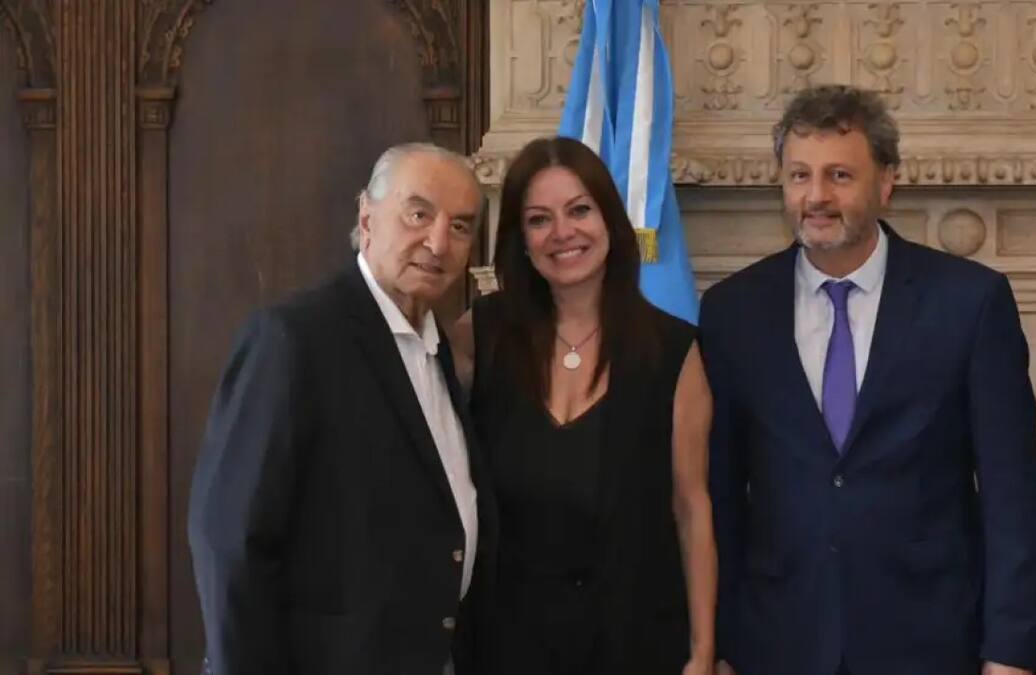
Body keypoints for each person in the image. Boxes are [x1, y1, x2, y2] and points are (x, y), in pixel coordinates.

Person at [700, 84, 1036, 675]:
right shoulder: (734, 310)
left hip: (928, 641)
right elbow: (720, 494)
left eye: (839, 175)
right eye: (799, 175)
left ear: (885, 182)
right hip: (777, 642)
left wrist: (1009, 654)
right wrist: (719, 644)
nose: (816, 196)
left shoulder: (970, 303)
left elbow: (1012, 496)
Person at [188, 143, 495, 675]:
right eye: (418, 213)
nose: (439, 242)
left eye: (461, 226)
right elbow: (230, 542)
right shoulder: (294, 340)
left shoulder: (437, 346)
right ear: (367, 217)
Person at [447, 136, 717, 675]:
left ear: (611, 223)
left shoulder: (675, 350)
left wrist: (703, 651)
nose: (563, 233)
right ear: (520, 239)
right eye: (539, 219)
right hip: (505, 645)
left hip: (635, 641)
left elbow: (692, 509)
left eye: (579, 210)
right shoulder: (478, 334)